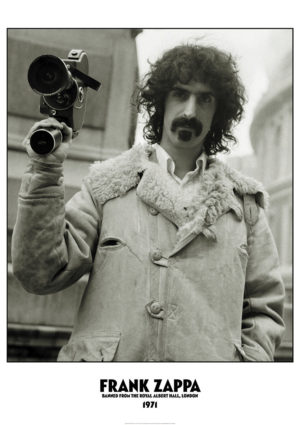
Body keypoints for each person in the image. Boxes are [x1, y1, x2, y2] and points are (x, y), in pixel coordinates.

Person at [12, 44, 285, 362]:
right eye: (180, 94)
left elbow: (264, 309)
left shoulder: (245, 205)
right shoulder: (107, 185)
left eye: (205, 99)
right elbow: (40, 274)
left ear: (219, 111)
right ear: (161, 102)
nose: (190, 112)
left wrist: (241, 371)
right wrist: (45, 172)